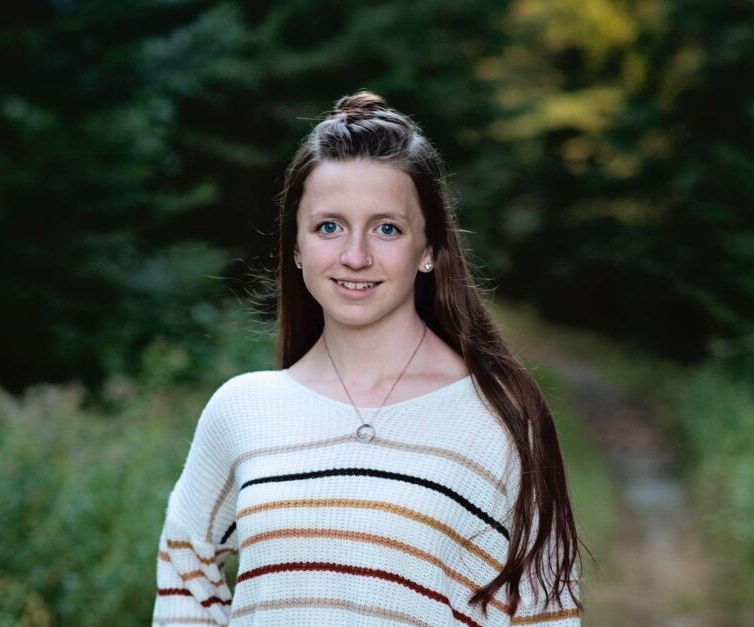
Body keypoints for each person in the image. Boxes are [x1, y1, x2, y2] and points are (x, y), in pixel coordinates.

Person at [152, 90, 584, 626]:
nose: (355, 256)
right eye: (328, 227)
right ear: (296, 246)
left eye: (387, 228)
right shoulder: (242, 411)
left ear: (429, 248)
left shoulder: (498, 418)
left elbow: (542, 615)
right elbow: (185, 571)